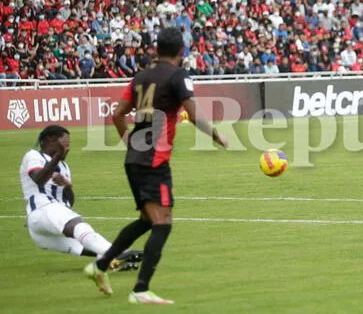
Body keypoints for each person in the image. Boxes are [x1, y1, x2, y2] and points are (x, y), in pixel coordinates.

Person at [83, 27, 229, 305]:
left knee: (148, 221)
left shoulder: (141, 76)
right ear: (181, 52)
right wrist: (216, 135)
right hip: (154, 161)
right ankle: (140, 290)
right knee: (163, 224)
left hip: (135, 159)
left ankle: (100, 266)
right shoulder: (178, 76)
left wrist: (129, 141)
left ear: (156, 49)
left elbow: (117, 114)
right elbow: (194, 113)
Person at [19, 125, 142, 270]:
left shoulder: (63, 166)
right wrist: (58, 155)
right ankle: (116, 252)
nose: (67, 149)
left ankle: (113, 262)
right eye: (65, 145)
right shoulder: (34, 156)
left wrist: (67, 186)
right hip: (43, 209)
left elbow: (68, 203)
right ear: (50, 141)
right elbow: (38, 179)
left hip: (43, 227)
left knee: (79, 244)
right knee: (79, 226)